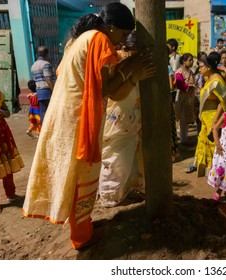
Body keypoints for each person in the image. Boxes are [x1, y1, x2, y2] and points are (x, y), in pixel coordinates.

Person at [22, 3, 155, 250]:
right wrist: (134, 73)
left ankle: (82, 228)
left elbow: (107, 83)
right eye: (123, 34)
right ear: (112, 26)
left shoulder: (80, 39)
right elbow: (108, 89)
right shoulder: (100, 40)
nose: (122, 41)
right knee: (82, 175)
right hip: (77, 119)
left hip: (62, 114)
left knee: (73, 175)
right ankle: (82, 237)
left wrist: (130, 68)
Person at [98, 30, 144, 208]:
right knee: (114, 159)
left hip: (130, 117)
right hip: (116, 119)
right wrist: (133, 76)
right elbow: (115, 93)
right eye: (132, 53)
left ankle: (123, 192)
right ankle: (109, 197)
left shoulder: (130, 61)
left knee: (126, 159)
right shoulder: (117, 60)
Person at [185, 52, 226, 176]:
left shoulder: (217, 80)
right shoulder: (209, 78)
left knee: (213, 145)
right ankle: (210, 171)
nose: (199, 69)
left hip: (213, 117)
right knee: (204, 143)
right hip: (206, 117)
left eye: (201, 66)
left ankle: (219, 174)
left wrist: (216, 121)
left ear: (209, 67)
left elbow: (223, 101)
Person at [0, 88, 25, 215]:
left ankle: (11, 194)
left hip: (2, 132)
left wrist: (2, 112)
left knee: (8, 163)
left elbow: (8, 112)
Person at [175, 53, 196, 146]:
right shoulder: (179, 71)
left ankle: (185, 137)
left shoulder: (190, 71)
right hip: (183, 97)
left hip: (190, 97)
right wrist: (189, 86)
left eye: (192, 60)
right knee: (183, 118)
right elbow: (179, 85)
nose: (192, 62)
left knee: (187, 118)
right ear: (184, 61)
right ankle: (183, 139)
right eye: (190, 60)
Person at [30, 46, 55, 124]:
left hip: (39, 91)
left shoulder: (33, 66)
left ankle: (43, 129)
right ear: (46, 54)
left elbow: (35, 80)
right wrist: (54, 90)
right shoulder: (46, 64)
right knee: (51, 111)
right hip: (47, 90)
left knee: (43, 111)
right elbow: (48, 79)